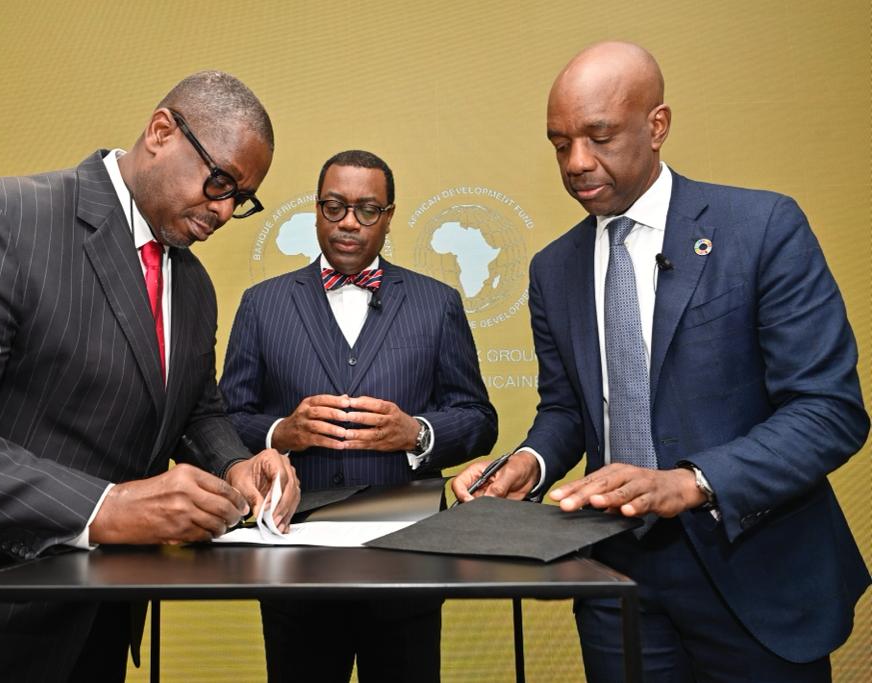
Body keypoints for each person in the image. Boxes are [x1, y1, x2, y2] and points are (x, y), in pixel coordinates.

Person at [0, 71, 300, 683]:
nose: (223, 210)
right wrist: (103, 508)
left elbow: (194, 408)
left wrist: (235, 465)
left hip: (93, 625)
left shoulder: (192, 284)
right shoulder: (0, 219)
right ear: (161, 132)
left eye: (241, 198)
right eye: (219, 181)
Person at [452, 42, 869, 682]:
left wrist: (690, 481)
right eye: (560, 144)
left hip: (754, 571)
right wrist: (527, 464)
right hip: (614, 577)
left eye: (599, 137)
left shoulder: (762, 228)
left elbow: (828, 412)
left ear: (657, 125)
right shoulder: (553, 269)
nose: (577, 162)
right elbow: (568, 410)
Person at [220, 149, 498, 682]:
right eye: (335, 206)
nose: (349, 222)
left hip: (407, 565)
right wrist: (282, 432)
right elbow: (224, 421)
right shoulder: (261, 304)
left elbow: (479, 419)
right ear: (316, 210)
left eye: (367, 209)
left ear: (389, 216)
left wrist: (417, 433)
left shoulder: (437, 303)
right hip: (294, 565)